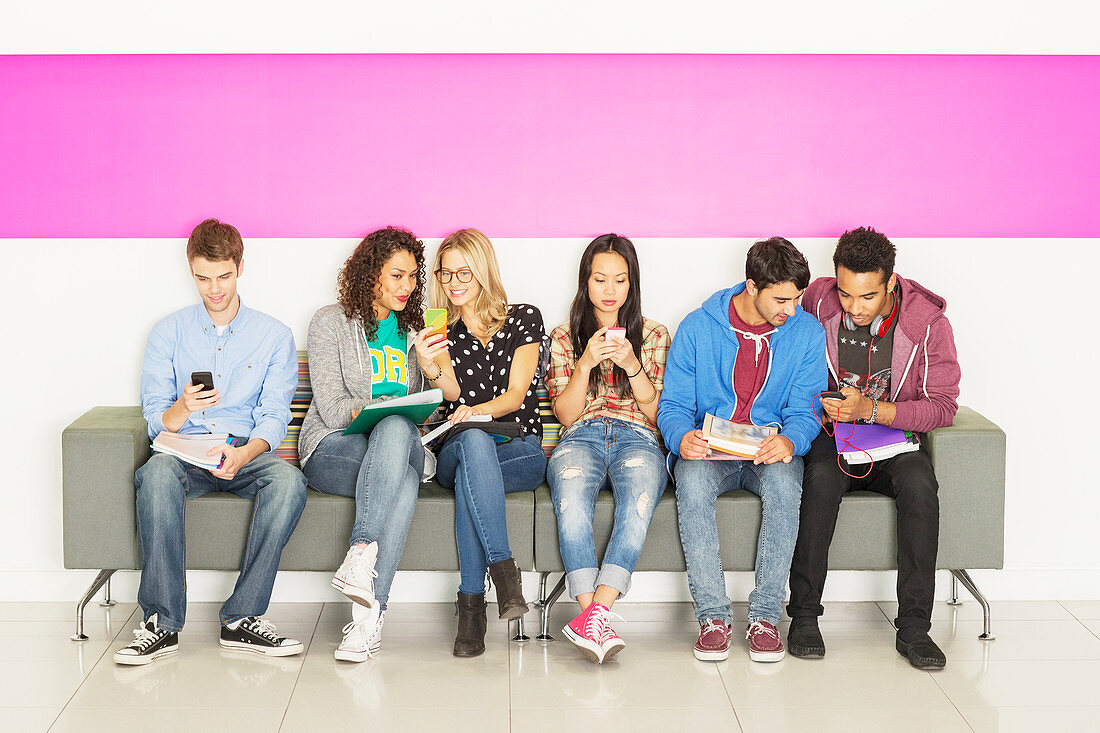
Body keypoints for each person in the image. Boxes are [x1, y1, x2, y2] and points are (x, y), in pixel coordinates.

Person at [114, 218, 306, 665]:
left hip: (244, 451)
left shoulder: (273, 335)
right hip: (185, 452)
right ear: (191, 271)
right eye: (203, 277)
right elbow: (155, 420)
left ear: (240, 267)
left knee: (288, 483)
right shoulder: (168, 332)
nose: (214, 289)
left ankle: (241, 619)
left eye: (223, 276)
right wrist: (183, 407)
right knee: (155, 474)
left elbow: (275, 416)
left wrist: (243, 453)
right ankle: (161, 623)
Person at [786, 227, 959, 670]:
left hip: (893, 440)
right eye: (846, 294)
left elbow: (942, 407)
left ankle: (915, 629)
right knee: (820, 478)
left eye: (867, 297)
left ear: (890, 282)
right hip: (833, 438)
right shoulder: (817, 302)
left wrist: (875, 410)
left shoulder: (928, 324)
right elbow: (767, 306)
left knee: (921, 485)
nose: (854, 308)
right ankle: (804, 617)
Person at [657, 237, 826, 663]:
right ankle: (713, 618)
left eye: (797, 298)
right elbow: (674, 406)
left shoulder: (806, 332)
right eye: (782, 299)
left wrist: (790, 440)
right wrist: (681, 439)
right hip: (710, 450)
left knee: (788, 488)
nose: (791, 309)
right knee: (691, 486)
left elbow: (807, 409)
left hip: (769, 448)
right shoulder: (698, 327)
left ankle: (765, 617)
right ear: (752, 286)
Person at [299, 227, 447, 662]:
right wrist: (384, 407)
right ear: (371, 275)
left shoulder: (415, 331)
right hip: (333, 448)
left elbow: (432, 408)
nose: (408, 286)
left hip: (396, 450)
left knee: (399, 434)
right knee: (400, 458)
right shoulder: (331, 322)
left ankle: (360, 567)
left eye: (413, 277)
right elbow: (331, 406)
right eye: (397, 276)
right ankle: (371, 617)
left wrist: (426, 367)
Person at [423, 228, 548, 658]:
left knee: (472, 479)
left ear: (484, 272)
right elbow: (454, 395)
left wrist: (477, 413)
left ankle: (471, 611)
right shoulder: (440, 330)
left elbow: (515, 397)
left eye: (465, 273)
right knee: (474, 444)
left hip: (519, 447)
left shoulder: (524, 318)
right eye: (446, 274)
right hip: (458, 448)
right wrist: (430, 364)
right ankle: (505, 573)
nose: (454, 283)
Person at [546, 234, 670, 664]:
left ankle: (593, 616)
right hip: (580, 435)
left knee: (637, 503)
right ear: (586, 282)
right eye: (600, 279)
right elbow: (564, 415)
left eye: (621, 280)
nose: (611, 290)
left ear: (632, 285)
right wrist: (584, 363)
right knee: (572, 504)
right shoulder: (563, 337)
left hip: (637, 435)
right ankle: (594, 618)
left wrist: (632, 365)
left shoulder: (653, 334)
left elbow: (657, 416)